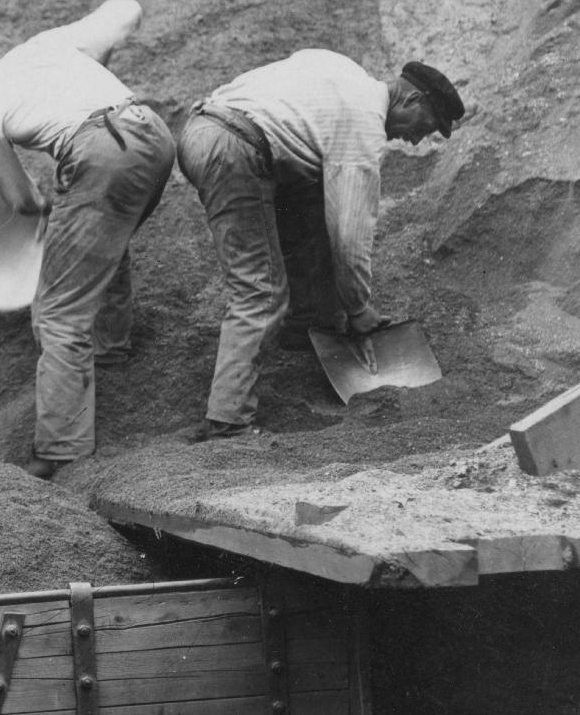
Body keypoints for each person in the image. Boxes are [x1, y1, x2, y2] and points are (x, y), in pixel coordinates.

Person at [0, 0, 173, 479]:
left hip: (102, 154)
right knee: (103, 244)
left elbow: (20, 199)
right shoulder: (48, 45)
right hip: (154, 135)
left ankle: (61, 448)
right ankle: (110, 350)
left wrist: (49, 210)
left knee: (57, 311)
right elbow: (124, 11)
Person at [176, 51, 464, 440]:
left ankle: (305, 328)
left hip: (204, 129)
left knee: (312, 198)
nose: (415, 140)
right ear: (411, 99)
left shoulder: (343, 71)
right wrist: (357, 308)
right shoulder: (363, 125)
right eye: (424, 127)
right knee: (260, 290)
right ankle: (228, 420)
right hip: (234, 152)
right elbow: (350, 237)